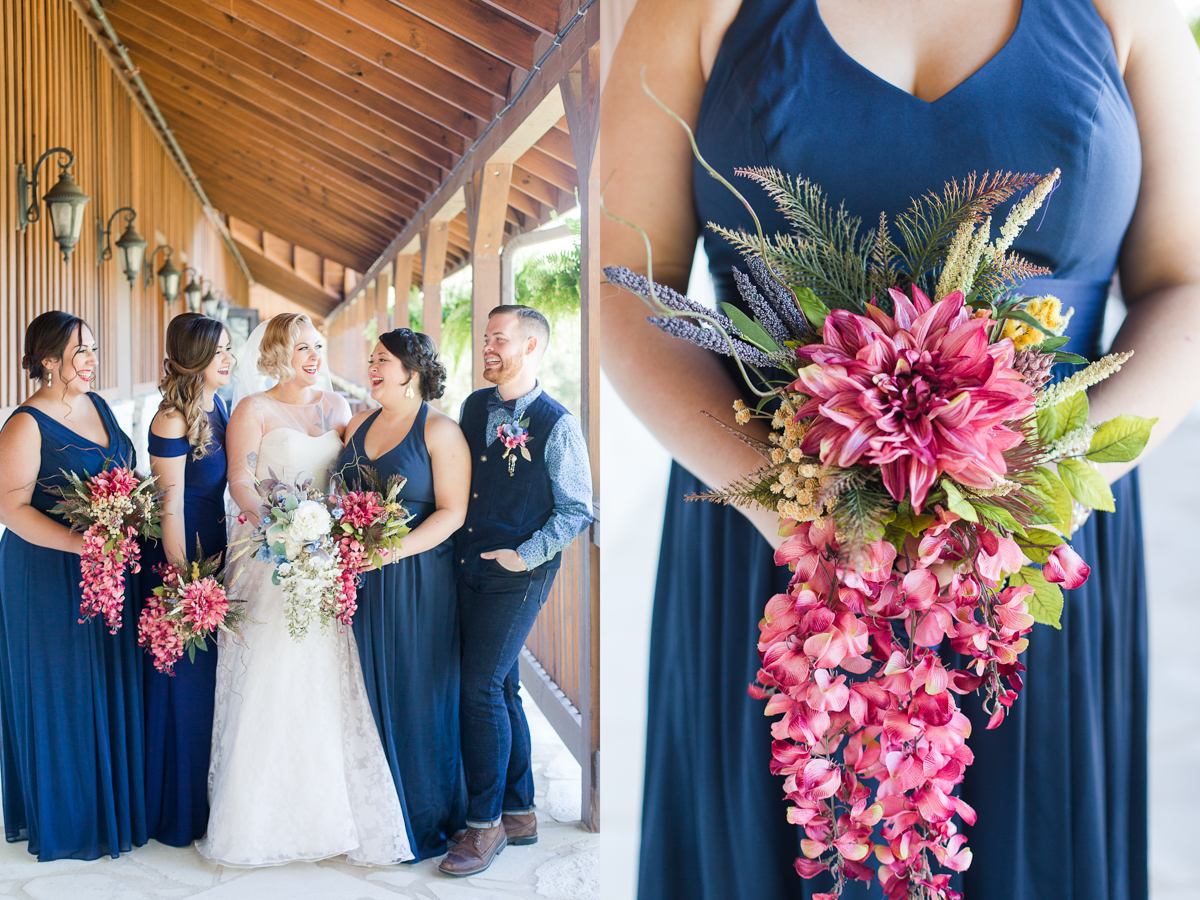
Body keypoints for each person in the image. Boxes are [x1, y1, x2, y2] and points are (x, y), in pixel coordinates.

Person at [601, 1, 1200, 898]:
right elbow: (623, 287)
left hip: (1027, 544)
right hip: (779, 545)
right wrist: (792, 514)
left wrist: (1036, 505)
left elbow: (1187, 281)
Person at [198, 313, 411, 866]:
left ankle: (328, 815)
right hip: (268, 558)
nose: (313, 356)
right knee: (272, 678)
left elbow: (354, 470)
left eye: (317, 346)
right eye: (301, 347)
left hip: (323, 562)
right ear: (274, 352)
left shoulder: (336, 407)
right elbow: (240, 480)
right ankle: (260, 822)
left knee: (323, 679)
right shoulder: (254, 409)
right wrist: (279, 523)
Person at [438, 305, 594, 876]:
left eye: (498, 339)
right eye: (485, 338)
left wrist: (522, 555)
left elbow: (578, 508)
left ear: (531, 347)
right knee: (502, 686)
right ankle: (521, 810)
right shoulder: (475, 406)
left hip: (520, 572)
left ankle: (485, 826)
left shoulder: (558, 422)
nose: (487, 347)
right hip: (468, 563)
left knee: (477, 689)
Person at [0, 311, 146, 860]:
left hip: (106, 574)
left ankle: (109, 809)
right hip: (45, 573)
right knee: (59, 691)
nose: (91, 360)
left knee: (103, 684)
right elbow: (10, 508)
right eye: (80, 352)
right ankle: (68, 820)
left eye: (92, 350)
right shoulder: (24, 424)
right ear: (46, 361)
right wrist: (85, 544)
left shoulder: (100, 406)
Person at [336, 329, 471, 860]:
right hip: (355, 580)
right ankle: (368, 816)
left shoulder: (440, 431)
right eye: (371, 360)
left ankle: (422, 818)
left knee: (415, 691)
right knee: (362, 688)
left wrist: (391, 553)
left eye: (383, 361)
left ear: (412, 371)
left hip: (415, 581)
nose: (372, 368)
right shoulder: (357, 422)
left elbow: (452, 512)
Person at [142, 312, 234, 847]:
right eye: (219, 351)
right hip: (179, 557)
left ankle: (204, 798)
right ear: (195, 358)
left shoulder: (217, 403)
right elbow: (168, 504)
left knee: (207, 683)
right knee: (184, 684)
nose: (228, 360)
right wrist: (186, 586)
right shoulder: (171, 420)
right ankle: (176, 812)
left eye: (228, 350)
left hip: (213, 551)